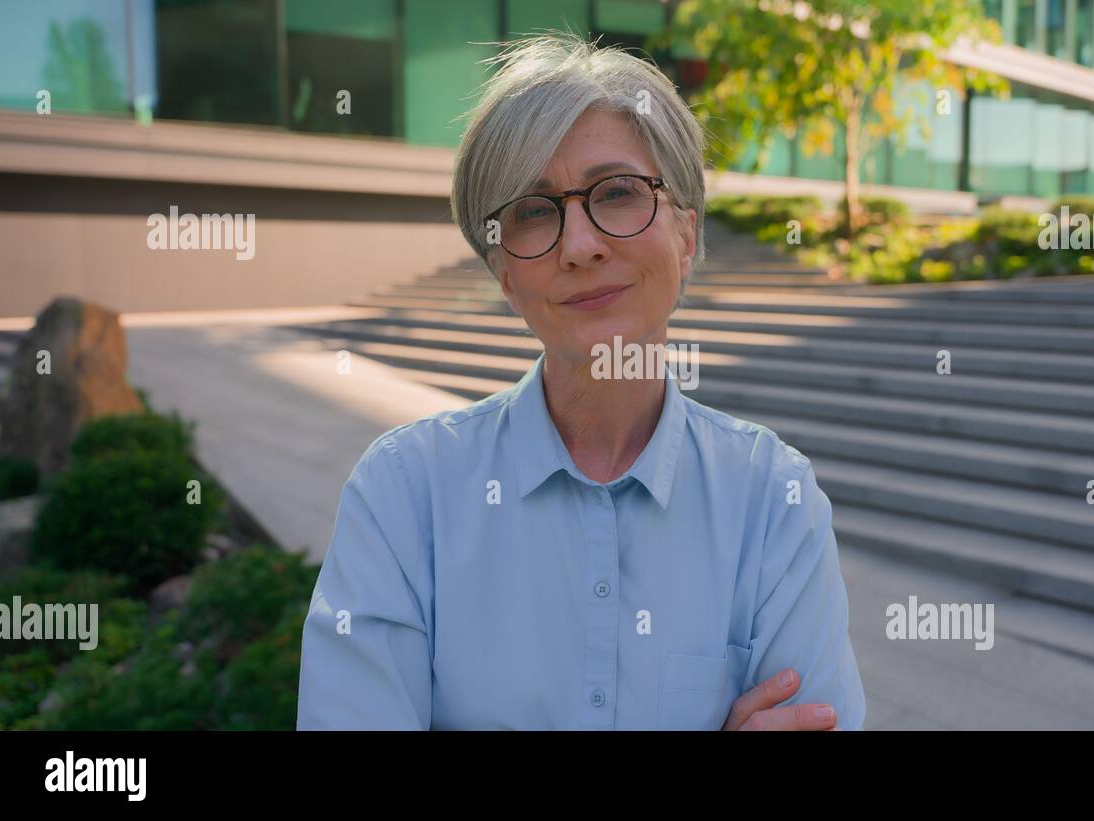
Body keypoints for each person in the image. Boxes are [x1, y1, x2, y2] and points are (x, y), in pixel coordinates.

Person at [297, 30, 865, 730]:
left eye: (618, 193)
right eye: (534, 212)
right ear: (505, 271)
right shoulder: (402, 494)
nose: (580, 245)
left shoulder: (775, 500)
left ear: (685, 235)